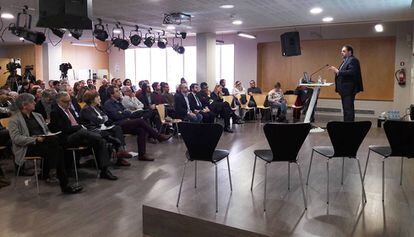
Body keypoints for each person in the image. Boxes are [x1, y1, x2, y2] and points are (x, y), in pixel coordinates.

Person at [8, 93, 83, 194]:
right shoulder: (14, 120)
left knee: (56, 144)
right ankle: (60, 181)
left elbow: (46, 130)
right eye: (32, 101)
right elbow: (16, 138)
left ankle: (54, 175)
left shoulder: (38, 116)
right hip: (28, 147)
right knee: (58, 148)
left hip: (44, 143)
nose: (35, 103)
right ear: (24, 105)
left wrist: (48, 135)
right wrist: (35, 139)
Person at [49, 91, 118, 180]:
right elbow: (63, 129)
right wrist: (79, 127)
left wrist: (81, 126)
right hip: (67, 138)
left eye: (69, 101)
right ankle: (105, 136)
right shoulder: (55, 112)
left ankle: (104, 170)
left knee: (101, 141)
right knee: (83, 132)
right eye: (65, 101)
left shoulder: (70, 110)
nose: (68, 103)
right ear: (59, 101)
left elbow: (78, 122)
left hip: (80, 135)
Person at [103, 86, 172, 161]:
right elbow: (116, 116)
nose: (119, 92)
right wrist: (124, 113)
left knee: (141, 129)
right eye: (116, 91)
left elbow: (127, 112)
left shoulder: (118, 102)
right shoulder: (108, 104)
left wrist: (123, 113)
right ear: (111, 94)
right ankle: (158, 136)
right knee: (140, 121)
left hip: (125, 122)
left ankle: (142, 155)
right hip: (117, 125)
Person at [79, 91, 131, 166]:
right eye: (97, 97)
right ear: (91, 99)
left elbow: (106, 116)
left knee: (117, 128)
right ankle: (119, 152)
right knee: (112, 133)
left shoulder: (96, 107)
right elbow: (97, 121)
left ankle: (120, 152)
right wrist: (103, 119)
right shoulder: (86, 109)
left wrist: (103, 119)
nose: (99, 98)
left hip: (102, 127)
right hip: (93, 130)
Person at [328, 45, 363, 121]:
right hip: (344, 90)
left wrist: (338, 71)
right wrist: (337, 73)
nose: (341, 53)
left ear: (350, 52)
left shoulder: (353, 60)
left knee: (348, 109)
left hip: (349, 89)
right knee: (346, 109)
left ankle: (349, 127)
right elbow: (343, 73)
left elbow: (351, 72)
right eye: (341, 51)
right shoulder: (346, 60)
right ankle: (346, 125)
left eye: (344, 51)